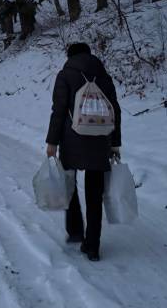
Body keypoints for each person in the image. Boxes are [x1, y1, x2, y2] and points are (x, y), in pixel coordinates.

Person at [45, 43, 121, 261]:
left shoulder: (65, 75)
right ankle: (93, 245)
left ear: (70, 56)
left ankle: (76, 229)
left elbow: (58, 111)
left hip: (72, 140)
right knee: (94, 194)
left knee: (69, 184)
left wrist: (52, 142)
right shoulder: (104, 76)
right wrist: (115, 143)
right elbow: (115, 110)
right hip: (100, 141)